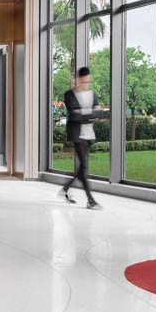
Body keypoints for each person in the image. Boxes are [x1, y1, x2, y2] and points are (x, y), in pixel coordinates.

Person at [61, 67, 103, 210]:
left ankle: (65, 190)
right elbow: (74, 116)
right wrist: (90, 113)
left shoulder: (92, 94)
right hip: (77, 135)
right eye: (84, 81)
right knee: (84, 167)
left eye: (88, 81)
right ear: (78, 80)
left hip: (89, 135)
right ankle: (90, 200)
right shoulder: (69, 95)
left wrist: (83, 113)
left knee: (82, 168)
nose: (87, 84)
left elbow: (100, 113)